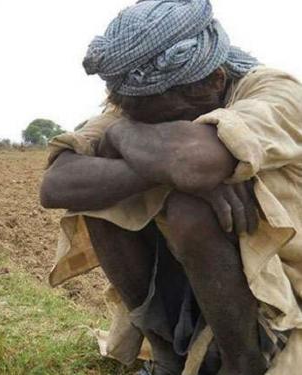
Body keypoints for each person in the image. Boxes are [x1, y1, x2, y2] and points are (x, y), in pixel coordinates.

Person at [40, 1, 302, 375]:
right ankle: (165, 357)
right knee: (100, 199)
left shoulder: (276, 92)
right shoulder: (135, 111)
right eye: (137, 121)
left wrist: (136, 146)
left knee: (192, 208)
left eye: (165, 121)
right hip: (203, 285)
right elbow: (57, 184)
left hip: (283, 292)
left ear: (213, 81)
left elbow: (195, 162)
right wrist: (132, 140)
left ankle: (242, 365)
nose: (151, 127)